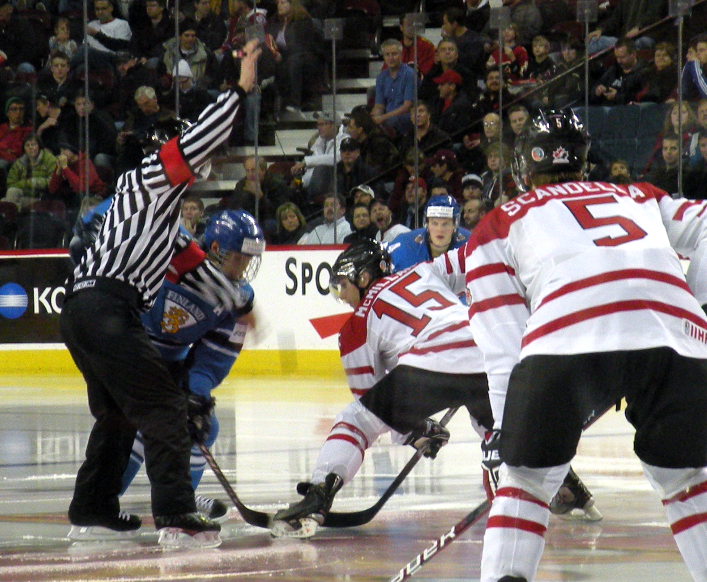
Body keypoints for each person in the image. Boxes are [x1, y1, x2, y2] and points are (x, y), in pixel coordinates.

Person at [458, 109, 707, 582]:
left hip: (564, 341)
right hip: (676, 342)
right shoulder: (637, 194)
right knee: (686, 479)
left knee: (526, 482)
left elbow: (502, 349)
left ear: (525, 164)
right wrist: (690, 302)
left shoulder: (496, 224)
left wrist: (503, 439)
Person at [59, 39, 261, 548]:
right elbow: (201, 141)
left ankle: (92, 504)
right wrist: (240, 86)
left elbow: (195, 265)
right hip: (109, 310)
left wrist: (238, 302)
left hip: (81, 311)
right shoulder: (153, 178)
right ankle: (175, 512)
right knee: (167, 407)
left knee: (119, 413)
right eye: (183, 148)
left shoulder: (154, 212)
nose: (196, 161)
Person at [270, 239, 493, 536]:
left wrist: (414, 430)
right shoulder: (425, 270)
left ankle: (318, 495)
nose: (341, 296)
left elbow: (373, 407)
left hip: (432, 363)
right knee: (495, 427)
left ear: (363, 277)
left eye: (342, 286)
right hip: (491, 349)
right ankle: (549, 479)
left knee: (356, 420)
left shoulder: (357, 325)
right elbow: (478, 257)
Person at [101, 210, 264, 538]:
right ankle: (102, 506)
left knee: (204, 426)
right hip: (123, 349)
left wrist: (196, 396)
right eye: (238, 257)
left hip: (165, 365)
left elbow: (210, 362)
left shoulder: (236, 298)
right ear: (215, 249)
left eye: (249, 260)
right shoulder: (170, 260)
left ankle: (180, 503)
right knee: (136, 423)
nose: (244, 266)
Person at [387, 194, 468, 270]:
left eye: (445, 224)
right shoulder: (405, 245)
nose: (440, 229)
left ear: (455, 225)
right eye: (435, 223)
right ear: (427, 224)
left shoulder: (470, 244)